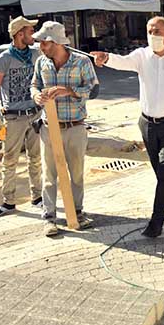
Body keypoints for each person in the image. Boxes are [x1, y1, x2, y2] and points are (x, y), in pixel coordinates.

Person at [92, 17, 164, 238]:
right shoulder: (141, 56)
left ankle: (156, 224)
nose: (152, 35)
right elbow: (123, 62)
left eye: (157, 31)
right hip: (148, 124)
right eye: (149, 31)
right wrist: (105, 58)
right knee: (161, 173)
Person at [31, 21, 99, 237]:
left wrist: (69, 91)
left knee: (76, 173)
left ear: (56, 42)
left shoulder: (82, 62)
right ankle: (49, 218)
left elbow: (94, 90)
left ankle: (77, 212)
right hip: (49, 127)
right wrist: (36, 95)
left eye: (44, 42)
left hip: (75, 127)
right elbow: (34, 85)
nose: (40, 46)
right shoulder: (41, 62)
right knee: (49, 174)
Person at [0, 17, 43, 219]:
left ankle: (37, 197)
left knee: (35, 158)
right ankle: (9, 202)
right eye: (30, 31)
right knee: (9, 161)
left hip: (35, 113)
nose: (33, 35)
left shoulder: (36, 54)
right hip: (14, 118)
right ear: (20, 34)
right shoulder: (4, 59)